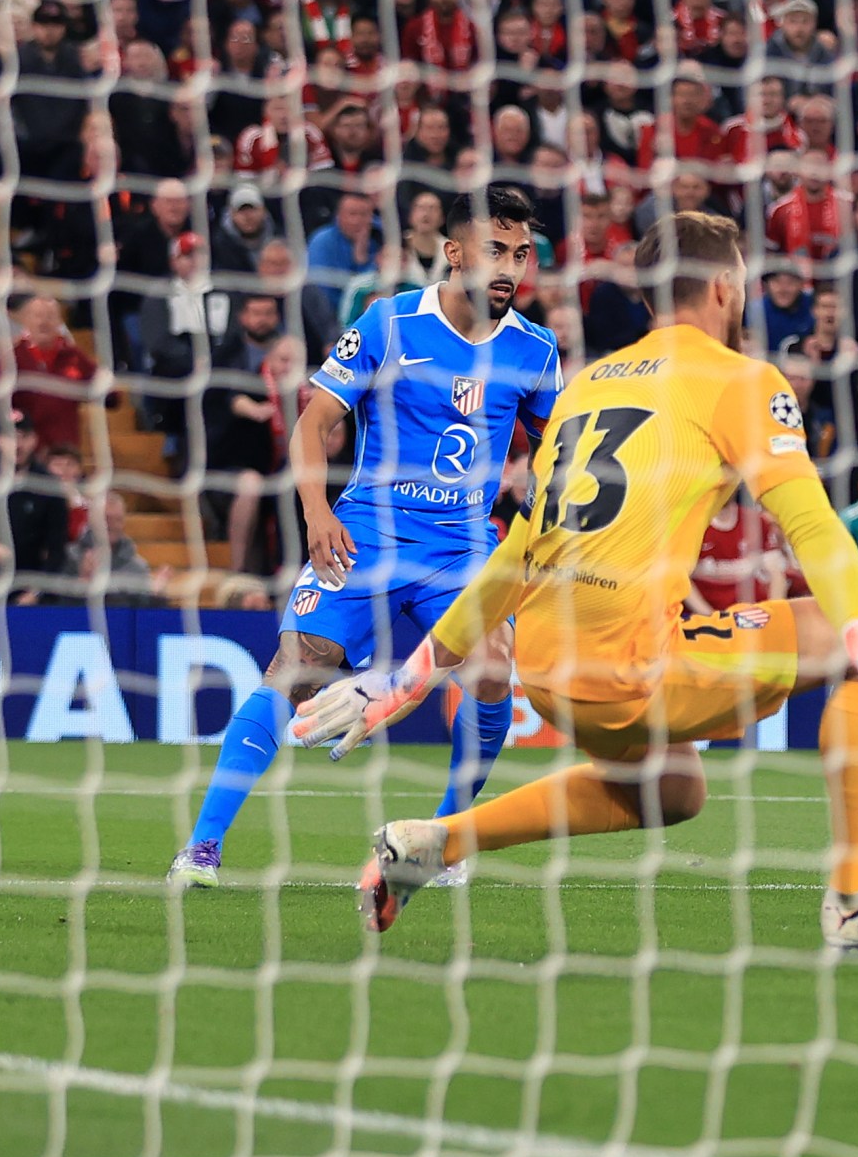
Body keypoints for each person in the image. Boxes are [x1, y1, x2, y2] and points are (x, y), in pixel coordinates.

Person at [298, 212, 858, 946]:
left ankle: (437, 843)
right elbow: (814, 527)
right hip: (632, 664)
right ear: (726, 288)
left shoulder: (588, 385)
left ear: (650, 299)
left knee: (673, 788)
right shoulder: (738, 379)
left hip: (549, 665)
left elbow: (520, 554)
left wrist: (402, 681)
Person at [169, 188, 564, 890]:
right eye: (495, 250)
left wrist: (534, 482)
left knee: (494, 667)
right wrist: (317, 513)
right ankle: (202, 847)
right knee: (296, 667)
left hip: (463, 549)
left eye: (521, 253)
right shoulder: (389, 323)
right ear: (454, 252)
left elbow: (554, 444)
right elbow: (314, 421)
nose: (511, 267)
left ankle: (441, 842)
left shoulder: (535, 349)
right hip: (368, 535)